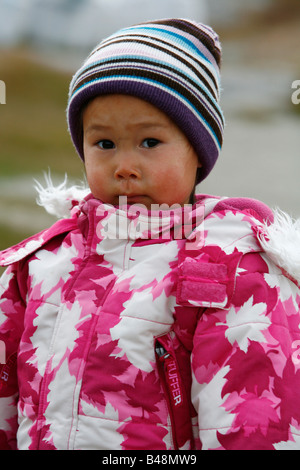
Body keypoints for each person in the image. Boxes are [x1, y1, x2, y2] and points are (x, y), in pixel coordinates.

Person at [0, 18, 300, 451]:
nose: (124, 165)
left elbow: (256, 426)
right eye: (104, 144)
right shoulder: (41, 266)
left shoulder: (232, 272)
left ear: (198, 151)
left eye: (149, 142)